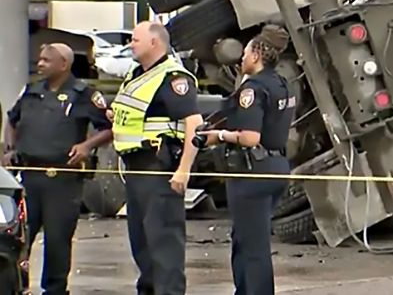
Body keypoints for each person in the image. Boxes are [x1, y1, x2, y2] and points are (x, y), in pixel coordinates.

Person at [2, 43, 113, 295]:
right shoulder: (31, 90)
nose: (40, 64)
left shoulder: (84, 94)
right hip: (28, 177)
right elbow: (12, 118)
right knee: (19, 239)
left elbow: (108, 128)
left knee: (57, 242)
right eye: (39, 60)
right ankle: (18, 286)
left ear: (64, 64)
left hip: (61, 180)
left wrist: (87, 145)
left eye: (46, 60)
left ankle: (55, 289)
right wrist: (9, 148)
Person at [198, 24, 295, 295]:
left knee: (252, 246)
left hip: (252, 171)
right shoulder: (282, 84)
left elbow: (250, 137)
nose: (241, 58)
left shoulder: (252, 89)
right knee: (248, 239)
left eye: (246, 52)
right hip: (276, 167)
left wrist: (219, 135)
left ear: (256, 55)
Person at [109, 21, 203, 295]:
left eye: (135, 39)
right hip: (136, 170)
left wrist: (184, 170)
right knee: (142, 246)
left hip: (158, 170)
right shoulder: (137, 74)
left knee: (164, 248)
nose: (130, 44)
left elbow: (194, 123)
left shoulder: (173, 77)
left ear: (154, 42)